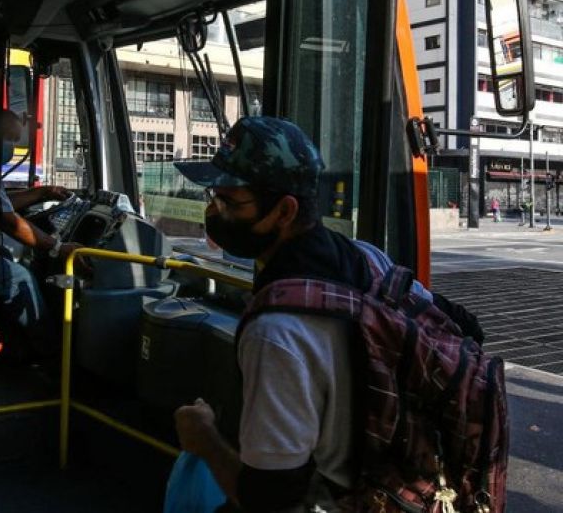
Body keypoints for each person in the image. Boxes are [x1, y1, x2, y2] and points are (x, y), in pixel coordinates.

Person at [172, 116, 432, 512]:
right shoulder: (367, 258)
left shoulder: (276, 333)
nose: (214, 211)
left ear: (284, 211)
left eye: (230, 202)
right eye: (214, 196)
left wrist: (204, 439)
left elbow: (268, 501)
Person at [0, 109, 80, 329]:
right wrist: (58, 247)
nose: (12, 146)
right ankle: (45, 349)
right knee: (21, 278)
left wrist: (44, 193)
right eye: (10, 138)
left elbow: (0, 203)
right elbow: (7, 220)